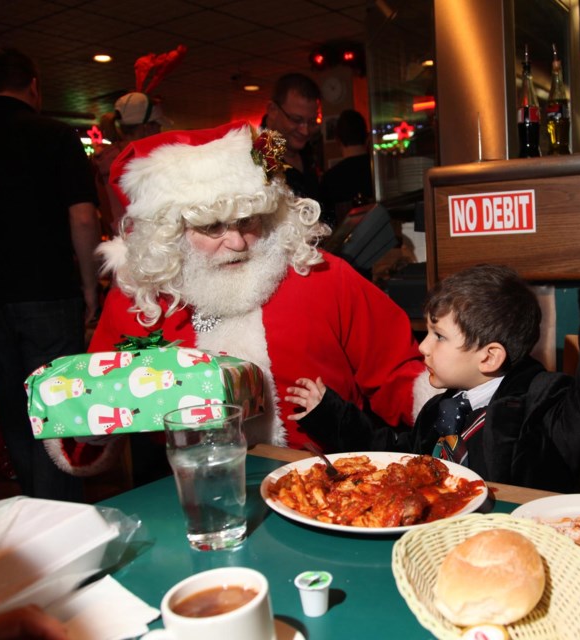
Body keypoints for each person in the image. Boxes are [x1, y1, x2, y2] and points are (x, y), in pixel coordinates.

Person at [45, 121, 436, 476]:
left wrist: (447, 410)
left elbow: (398, 372)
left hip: (328, 480)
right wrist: (90, 432)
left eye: (248, 220)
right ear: (170, 232)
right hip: (191, 486)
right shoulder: (141, 298)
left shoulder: (324, 276)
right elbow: (93, 395)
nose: (236, 242)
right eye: (211, 227)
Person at [285, 242, 580, 492]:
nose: (422, 347)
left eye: (438, 336)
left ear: (489, 357)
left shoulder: (537, 405)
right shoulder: (442, 408)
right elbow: (396, 452)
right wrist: (330, 415)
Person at [0, 47, 100, 500]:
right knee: (55, 411)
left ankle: (33, 508)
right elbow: (84, 218)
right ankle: (60, 519)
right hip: (48, 291)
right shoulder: (53, 135)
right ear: (34, 86)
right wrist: (91, 288)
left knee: (14, 406)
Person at [93, 92, 170, 236]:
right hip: (142, 247)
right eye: (158, 127)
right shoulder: (142, 165)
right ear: (146, 128)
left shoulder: (104, 161)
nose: (160, 132)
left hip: (117, 245)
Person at [264, 73, 321, 200]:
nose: (305, 131)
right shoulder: (254, 159)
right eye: (296, 120)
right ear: (273, 110)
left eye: (312, 122)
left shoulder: (309, 153)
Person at [320, 109, 374, 227]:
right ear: (367, 138)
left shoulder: (329, 179)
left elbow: (327, 225)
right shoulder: (378, 170)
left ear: (338, 140)